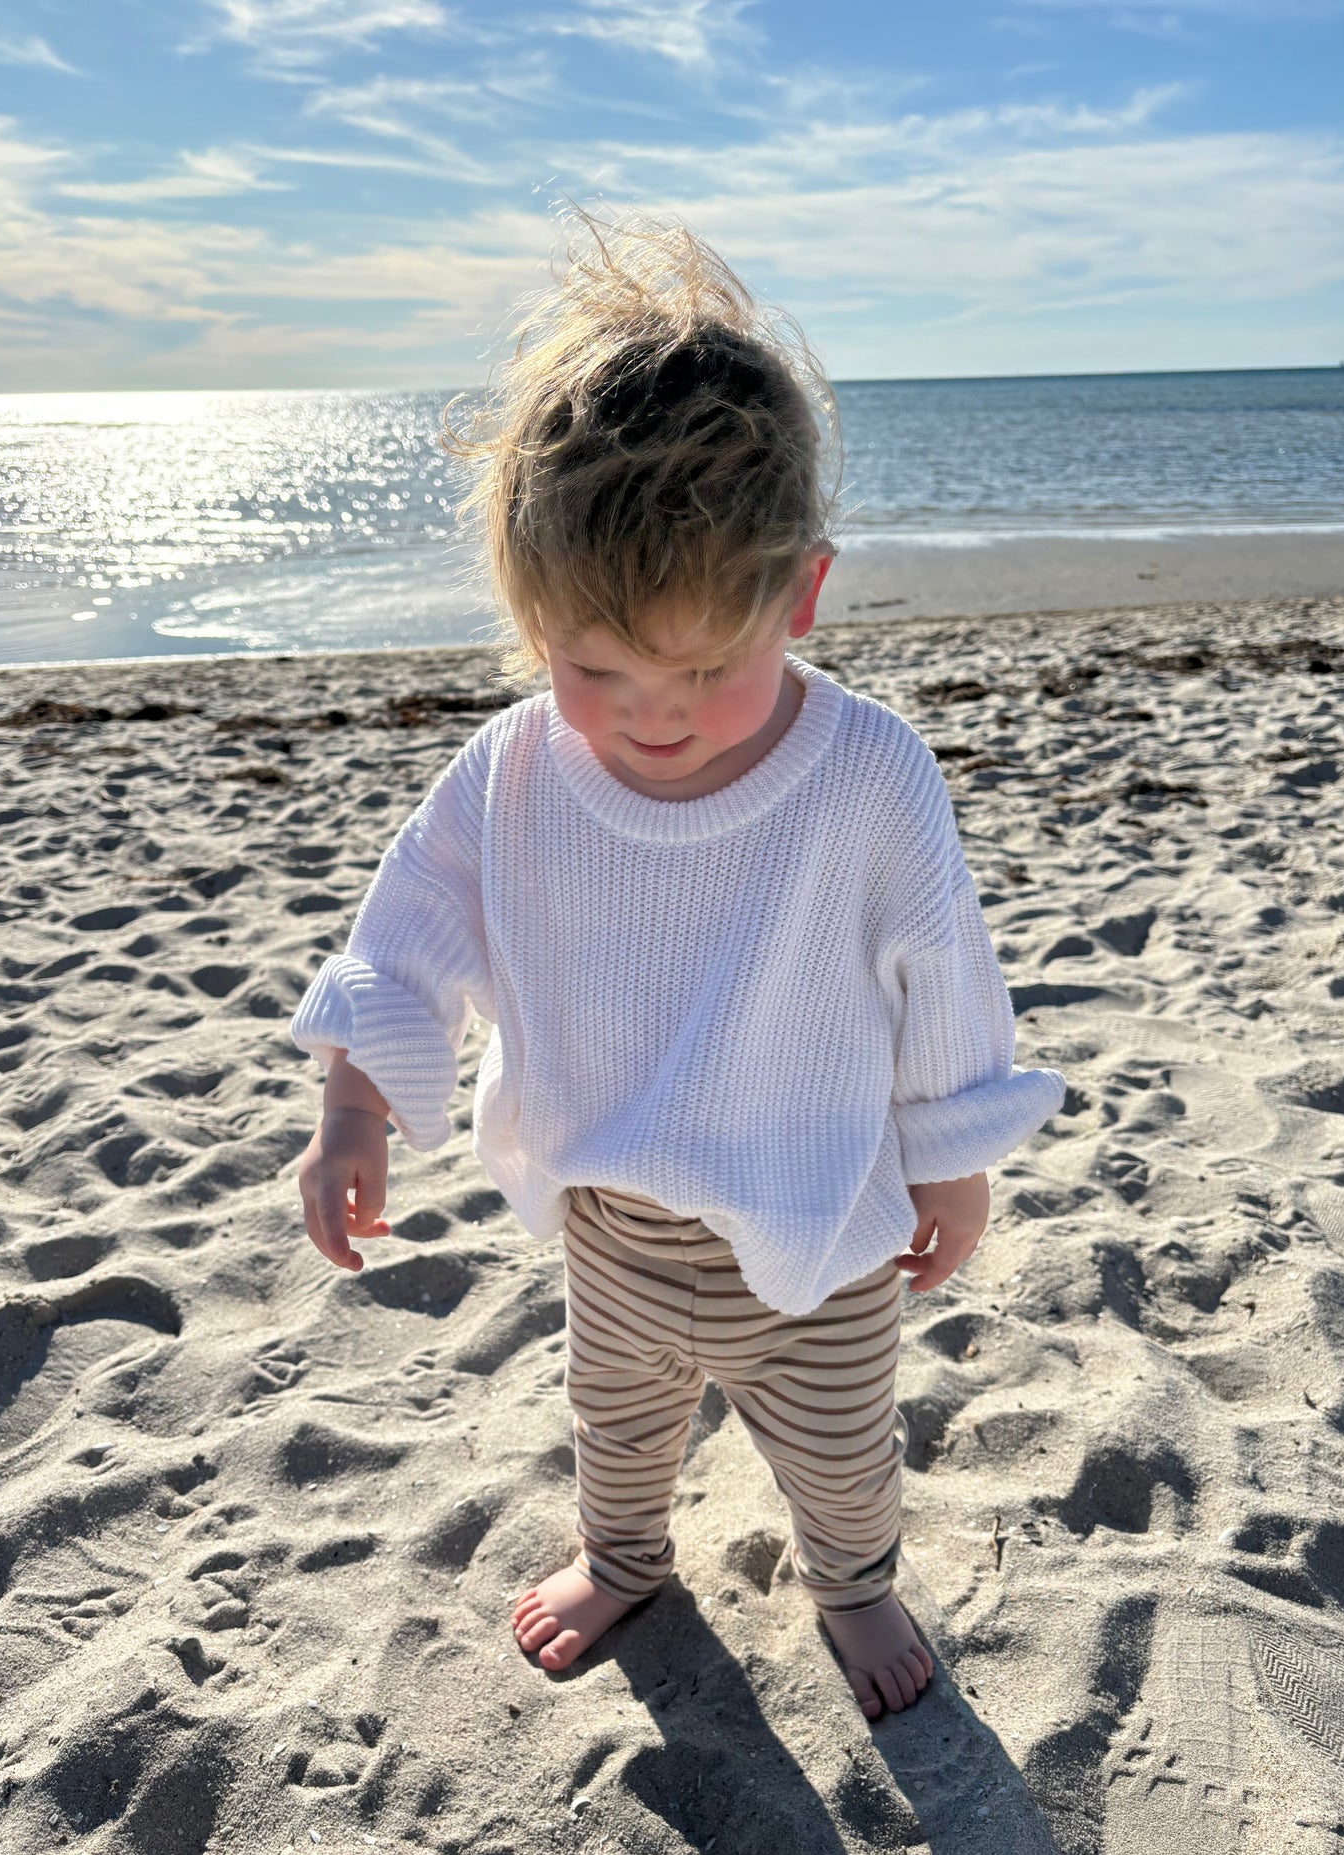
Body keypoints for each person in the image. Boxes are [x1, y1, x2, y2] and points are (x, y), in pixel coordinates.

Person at [289, 212, 1066, 1721]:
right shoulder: (514, 770)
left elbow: (941, 976)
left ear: (803, 595)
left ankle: (851, 1588)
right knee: (616, 1419)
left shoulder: (864, 773)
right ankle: (623, 1556)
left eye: (706, 669)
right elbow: (409, 929)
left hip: (819, 1212)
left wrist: (953, 1161)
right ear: (527, 622)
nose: (651, 714)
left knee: (841, 1450)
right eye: (594, 669)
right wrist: (355, 1105)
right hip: (616, 1218)